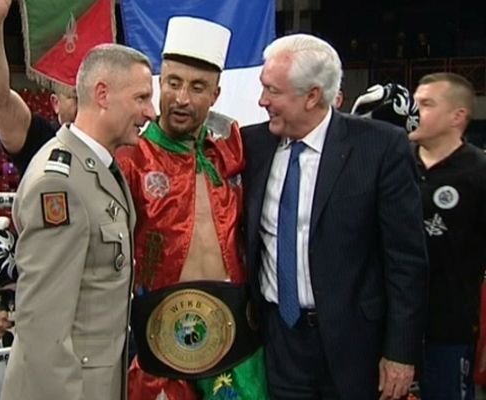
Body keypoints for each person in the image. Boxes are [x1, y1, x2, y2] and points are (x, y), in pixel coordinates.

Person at [241, 33, 428, 399]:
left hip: (356, 346)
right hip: (277, 340)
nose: (262, 101)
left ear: (312, 95)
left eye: (273, 91)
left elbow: (406, 260)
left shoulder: (380, 147)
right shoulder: (252, 145)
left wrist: (401, 354)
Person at [114, 16, 267, 399]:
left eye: (197, 87)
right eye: (173, 83)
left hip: (237, 337)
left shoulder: (233, 148)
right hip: (159, 341)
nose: (182, 98)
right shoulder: (132, 156)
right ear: (159, 84)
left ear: (215, 94)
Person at [0, 44, 154, 400]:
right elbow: (43, 328)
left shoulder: (99, 169)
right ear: (103, 94)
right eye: (142, 98)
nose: (151, 111)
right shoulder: (60, 183)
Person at [409, 72, 486, 400]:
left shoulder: (478, 172)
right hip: (388, 326)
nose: (414, 111)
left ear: (458, 116)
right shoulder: (395, 163)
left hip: (449, 330)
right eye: (414, 103)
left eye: (426, 104)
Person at [0, 0, 77, 176]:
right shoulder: (41, 138)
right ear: (55, 103)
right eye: (74, 96)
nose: (81, 105)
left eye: (86, 96)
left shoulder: (114, 144)